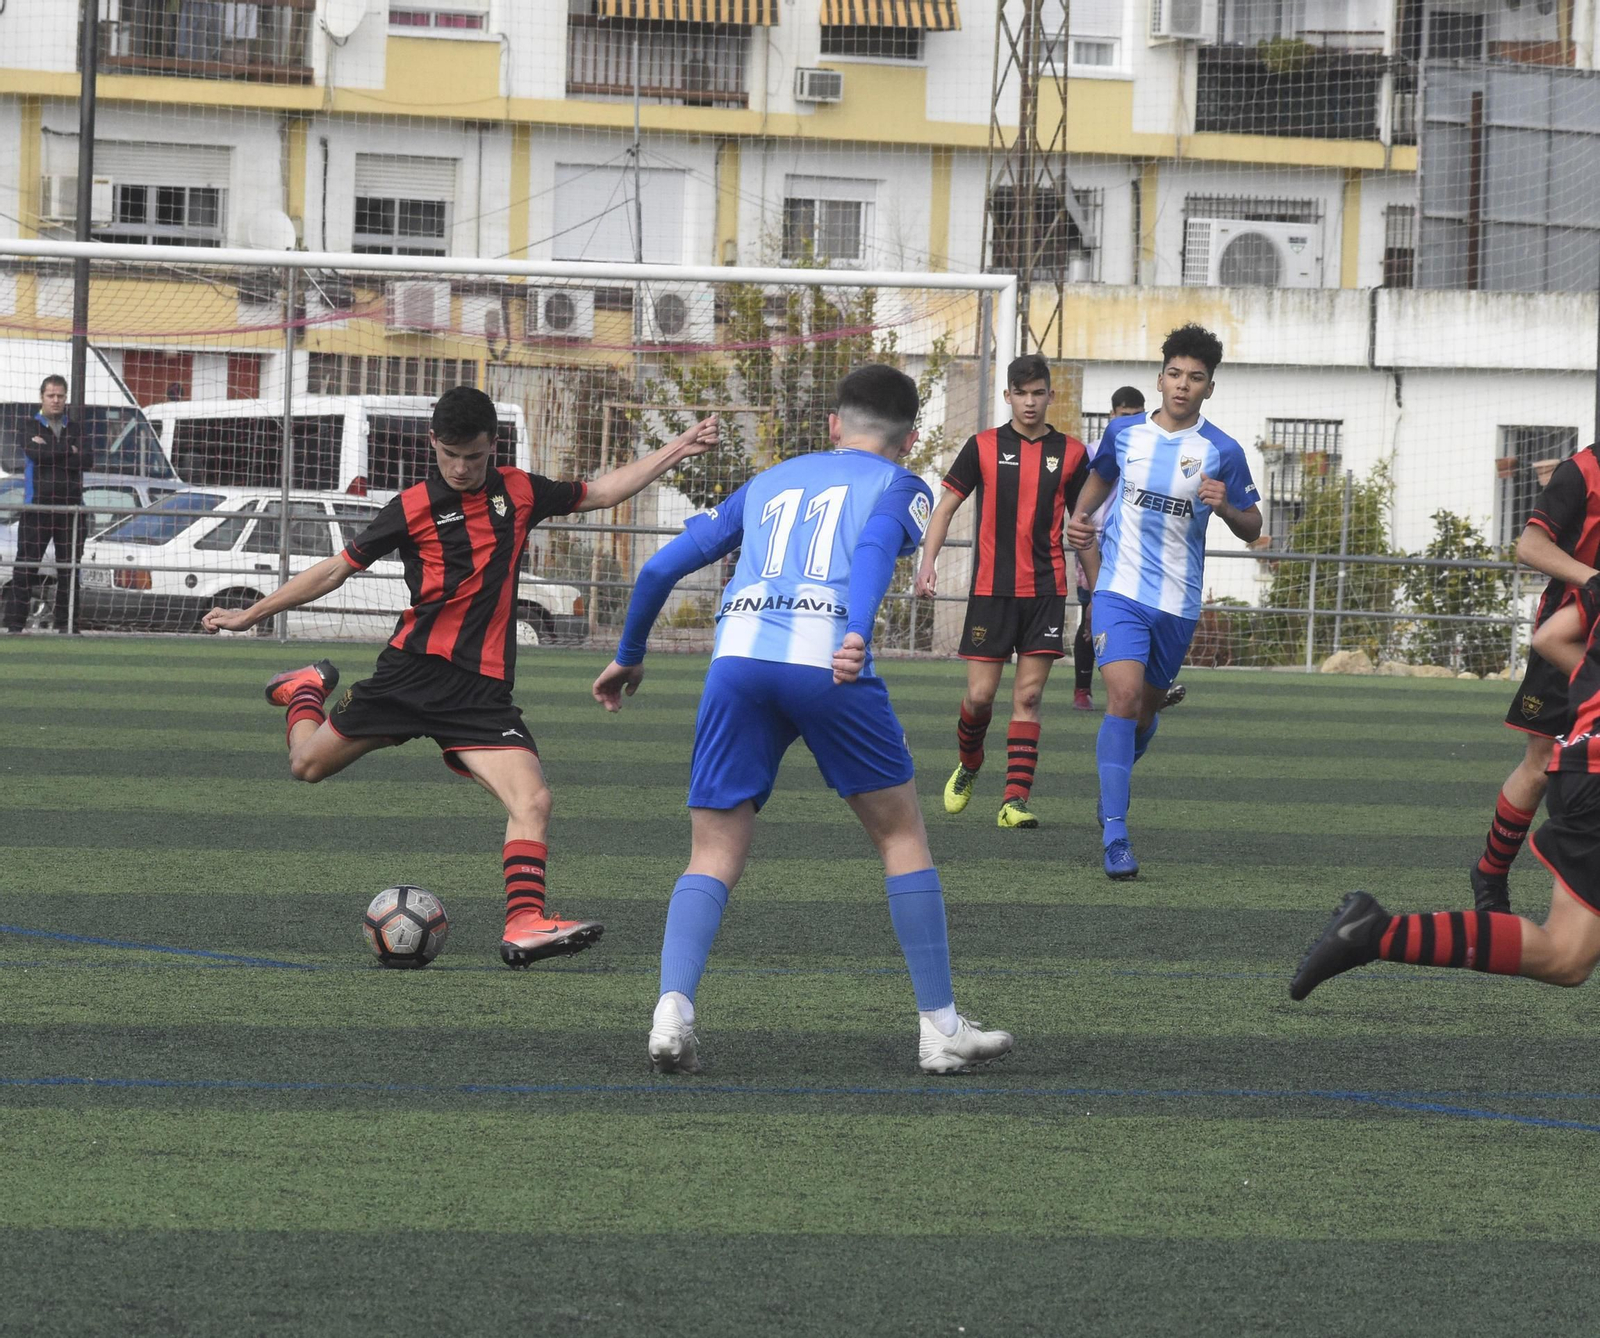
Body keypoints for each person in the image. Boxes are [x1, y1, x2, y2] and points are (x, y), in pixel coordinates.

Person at [591, 364, 1015, 1076]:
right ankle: (940, 1027)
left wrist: (630, 654)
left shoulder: (771, 480)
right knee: (901, 834)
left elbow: (660, 569)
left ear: (832, 426)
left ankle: (672, 1007)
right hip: (828, 662)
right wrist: (855, 631)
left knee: (713, 854)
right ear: (909, 440)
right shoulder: (903, 485)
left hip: (738, 660)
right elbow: (878, 547)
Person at [202, 386, 717, 968]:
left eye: (474, 456)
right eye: (451, 455)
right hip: (408, 676)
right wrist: (253, 612)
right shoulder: (412, 505)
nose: (463, 467)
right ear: (433, 445)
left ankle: (524, 922)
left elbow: (600, 492)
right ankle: (304, 691)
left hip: (480, 695)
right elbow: (332, 573)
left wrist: (678, 446)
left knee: (534, 798)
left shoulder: (520, 490)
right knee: (306, 767)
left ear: (491, 446)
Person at [1291, 575, 1600, 1001]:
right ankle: (1376, 933)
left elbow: (1551, 635)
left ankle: (1374, 932)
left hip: (1580, 762)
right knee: (1565, 954)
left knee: (1567, 957)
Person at [1066, 324, 1261, 880]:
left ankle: (1113, 781)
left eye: (1195, 378)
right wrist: (1081, 522)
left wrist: (1225, 506)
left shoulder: (1222, 451)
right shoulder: (1125, 433)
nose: (1182, 385)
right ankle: (1115, 835)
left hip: (1176, 603)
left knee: (1144, 712)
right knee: (1122, 699)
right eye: (1174, 374)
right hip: (1119, 590)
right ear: (1159, 379)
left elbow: (1253, 527)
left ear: (1209, 388)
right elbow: (1100, 479)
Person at [913, 354, 1092, 829]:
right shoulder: (983, 446)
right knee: (979, 697)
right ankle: (970, 763)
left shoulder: (1072, 453)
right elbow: (946, 505)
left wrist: (1100, 586)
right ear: (1007, 396)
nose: (1030, 403)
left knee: (1028, 697)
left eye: (1039, 393)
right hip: (992, 591)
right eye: (1022, 393)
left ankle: (1014, 801)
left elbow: (1082, 527)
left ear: (1051, 396)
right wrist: (926, 562)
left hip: (1046, 590)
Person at [1467, 442, 1600, 913]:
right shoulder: (1580, 471)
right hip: (1567, 636)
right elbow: (1530, 545)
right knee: (1542, 764)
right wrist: (1594, 580)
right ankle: (1490, 874)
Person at [1072, 388, 1187, 718]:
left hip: (1139, 550)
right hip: (1096, 544)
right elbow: (1085, 497)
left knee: (1144, 616)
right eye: (1124, 414)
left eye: (1136, 413)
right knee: (1091, 615)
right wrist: (1081, 526)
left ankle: (1139, 691)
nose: (1130, 420)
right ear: (1112, 415)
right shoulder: (1094, 450)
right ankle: (1084, 688)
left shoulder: (1153, 443)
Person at [4, 375, 91, 634]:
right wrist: (68, 451)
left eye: (60, 396)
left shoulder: (75, 428)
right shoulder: (29, 426)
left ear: (66, 398)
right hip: (37, 508)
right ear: (42, 396)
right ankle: (15, 626)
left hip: (71, 509)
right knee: (25, 568)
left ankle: (68, 626)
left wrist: (53, 450)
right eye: (51, 395)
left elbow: (87, 460)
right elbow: (35, 454)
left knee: (70, 571)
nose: (56, 400)